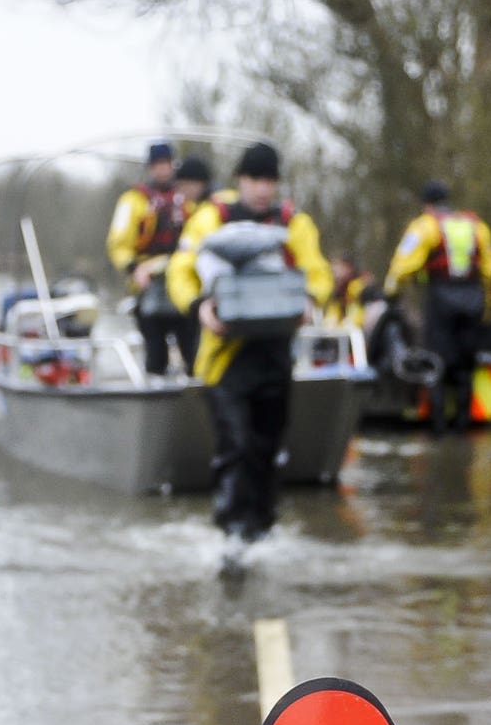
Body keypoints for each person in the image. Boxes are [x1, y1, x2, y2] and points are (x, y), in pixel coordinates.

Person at [167, 142, 332, 557]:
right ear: (240, 180)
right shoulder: (210, 220)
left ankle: (262, 529)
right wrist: (199, 307)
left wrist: (310, 302)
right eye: (255, 179)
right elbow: (180, 272)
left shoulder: (295, 224)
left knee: (267, 446)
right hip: (226, 358)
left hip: (275, 354)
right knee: (235, 444)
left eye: (270, 180)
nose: (262, 188)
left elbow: (317, 273)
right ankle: (231, 532)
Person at [384, 180, 491, 432]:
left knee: (437, 362)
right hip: (473, 299)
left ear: (427, 204)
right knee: (465, 365)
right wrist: (488, 305)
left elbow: (402, 265)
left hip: (441, 299)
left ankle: (438, 428)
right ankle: (462, 427)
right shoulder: (476, 226)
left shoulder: (425, 226)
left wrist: (391, 292)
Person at [106, 142, 206, 377]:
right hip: (149, 287)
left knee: (193, 349)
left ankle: (195, 396)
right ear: (150, 168)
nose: (163, 170)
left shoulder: (188, 198)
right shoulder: (133, 200)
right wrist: (134, 268)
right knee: (155, 353)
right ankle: (156, 392)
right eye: (158, 165)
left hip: (184, 285)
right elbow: (118, 244)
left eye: (167, 164)